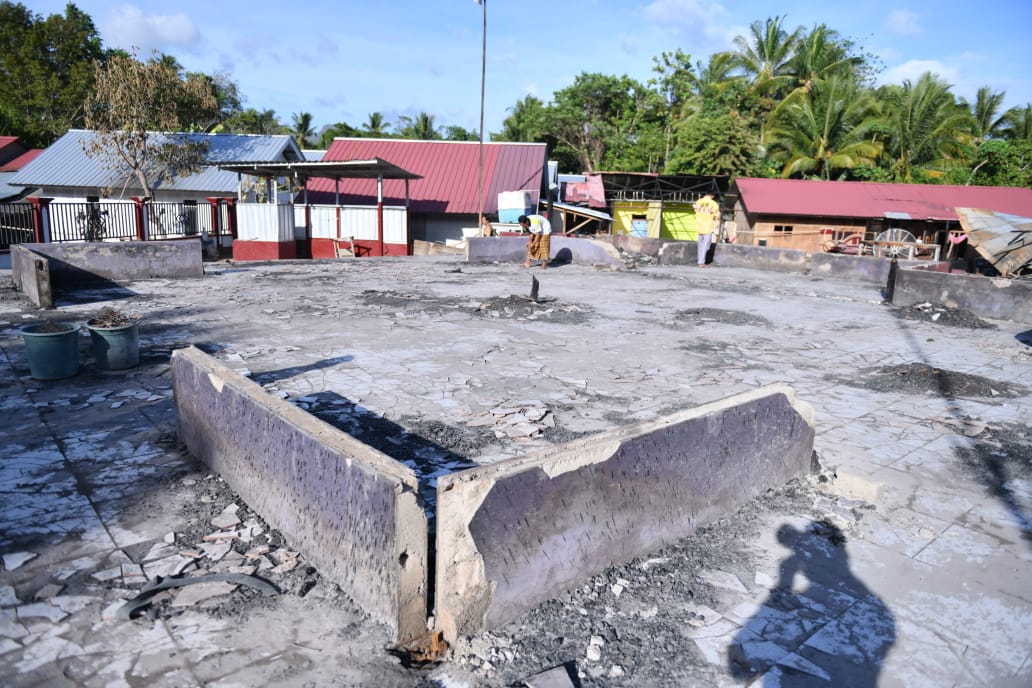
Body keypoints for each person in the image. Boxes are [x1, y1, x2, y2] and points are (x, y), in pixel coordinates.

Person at [693, 193, 720, 267]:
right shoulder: (714, 204)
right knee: (706, 245)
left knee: (700, 244)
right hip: (708, 227)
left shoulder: (698, 201)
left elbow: (696, 211)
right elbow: (716, 215)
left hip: (699, 226)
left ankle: (700, 260)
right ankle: (701, 262)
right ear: (712, 195)